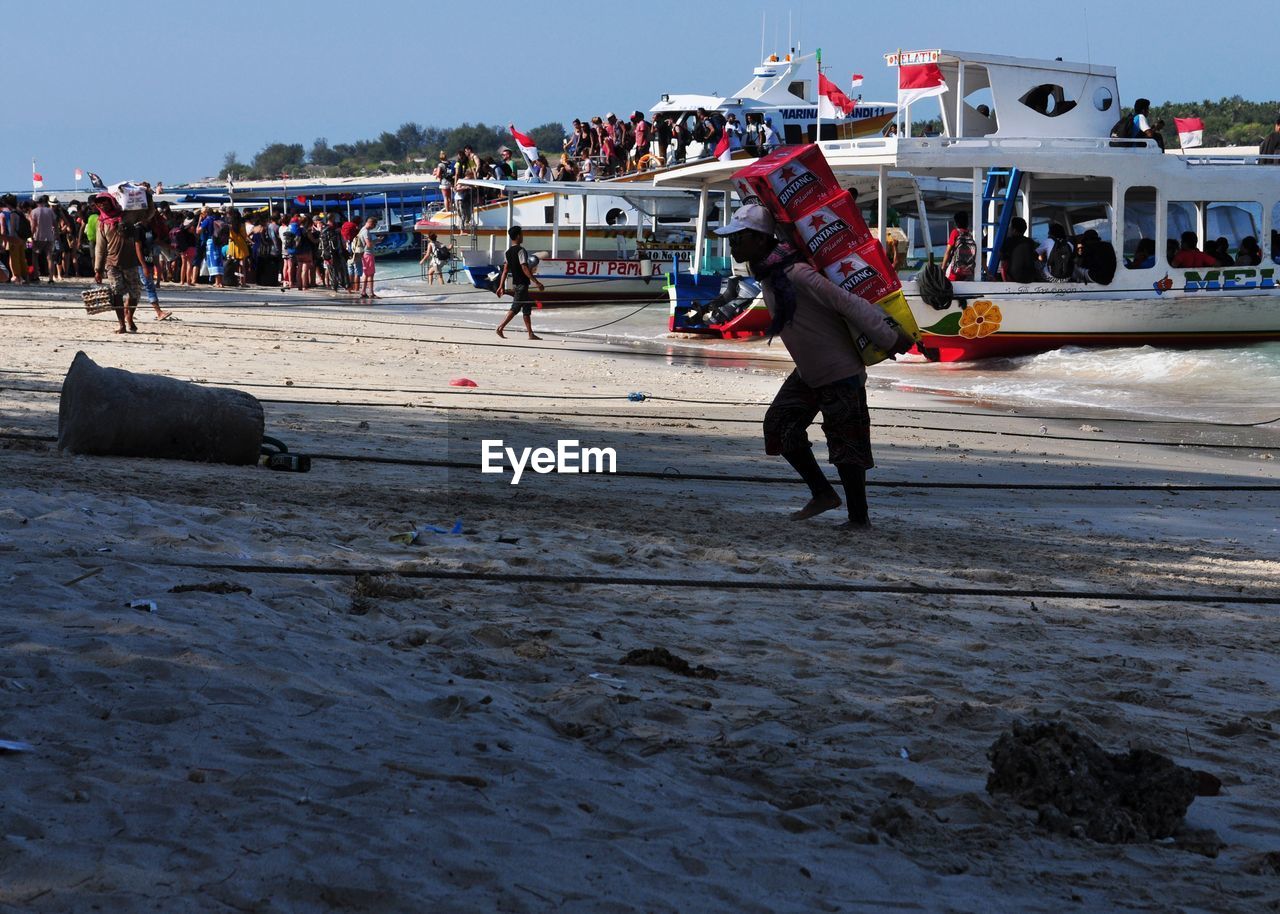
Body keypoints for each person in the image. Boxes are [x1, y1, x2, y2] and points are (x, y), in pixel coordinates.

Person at [716, 203, 912, 527]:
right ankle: (822, 493)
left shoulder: (795, 272)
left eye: (739, 238)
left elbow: (845, 302)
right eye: (732, 239)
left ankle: (858, 519)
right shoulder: (769, 271)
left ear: (761, 239)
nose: (733, 245)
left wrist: (889, 337)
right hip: (809, 372)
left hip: (838, 370)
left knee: (847, 446)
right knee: (778, 425)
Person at [92, 194, 142, 334]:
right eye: (99, 203)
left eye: (105, 202)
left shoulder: (127, 216)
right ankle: (122, 324)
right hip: (112, 264)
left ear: (112, 201)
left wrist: (148, 195)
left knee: (135, 293)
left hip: (130, 261)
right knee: (116, 293)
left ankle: (129, 317)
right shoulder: (101, 223)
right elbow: (100, 248)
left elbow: (148, 213)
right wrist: (98, 269)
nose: (103, 205)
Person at [495, 225, 545, 340]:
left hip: (517, 284)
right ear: (518, 236)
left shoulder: (508, 252)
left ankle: (530, 334)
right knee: (515, 307)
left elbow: (505, 271)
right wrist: (536, 282)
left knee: (527, 307)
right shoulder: (521, 251)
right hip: (522, 285)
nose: (522, 236)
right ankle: (500, 328)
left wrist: (501, 286)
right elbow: (525, 268)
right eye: (521, 234)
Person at [999, 216, 1040, 283]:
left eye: (1010, 227)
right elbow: (1035, 257)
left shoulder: (1009, 241)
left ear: (1014, 230)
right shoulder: (1030, 241)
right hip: (1030, 277)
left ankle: (1006, 283)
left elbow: (1001, 256)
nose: (1009, 229)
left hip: (1015, 277)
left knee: (1004, 262)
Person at [941, 211, 977, 281]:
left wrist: (943, 268)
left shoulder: (955, 232)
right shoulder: (970, 235)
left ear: (956, 222)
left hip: (954, 272)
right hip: (967, 272)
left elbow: (948, 252)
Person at [29, 196, 57, 283]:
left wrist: (30, 236)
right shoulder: (50, 211)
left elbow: (33, 226)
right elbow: (55, 224)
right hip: (49, 237)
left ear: (36, 203)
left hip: (38, 237)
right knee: (50, 258)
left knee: (35, 256)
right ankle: (51, 278)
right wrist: (56, 234)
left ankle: (36, 276)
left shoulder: (34, 212)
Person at [355, 216, 377, 299]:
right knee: (371, 274)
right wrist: (376, 241)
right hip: (368, 254)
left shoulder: (362, 230)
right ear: (371, 223)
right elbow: (368, 244)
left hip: (364, 255)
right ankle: (371, 293)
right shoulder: (366, 232)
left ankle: (363, 292)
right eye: (374, 225)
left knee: (367, 274)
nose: (374, 227)